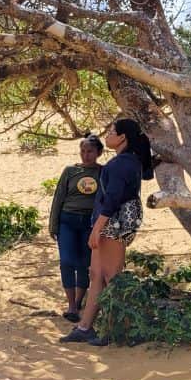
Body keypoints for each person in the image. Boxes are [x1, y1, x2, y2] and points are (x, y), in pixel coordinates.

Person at [61, 119, 154, 345]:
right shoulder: (127, 161)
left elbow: (112, 198)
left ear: (123, 137)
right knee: (97, 274)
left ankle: (124, 329)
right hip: (110, 223)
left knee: (112, 276)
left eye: (112, 131)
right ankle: (86, 327)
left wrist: (97, 228)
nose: (107, 134)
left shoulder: (123, 163)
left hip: (112, 224)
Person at [48, 134, 104, 323]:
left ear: (98, 152)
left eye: (90, 151)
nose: (85, 155)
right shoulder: (70, 171)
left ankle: (78, 303)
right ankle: (70, 304)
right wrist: (53, 224)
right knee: (66, 261)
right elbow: (58, 198)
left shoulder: (103, 172)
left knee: (83, 263)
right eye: (83, 151)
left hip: (89, 223)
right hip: (68, 220)